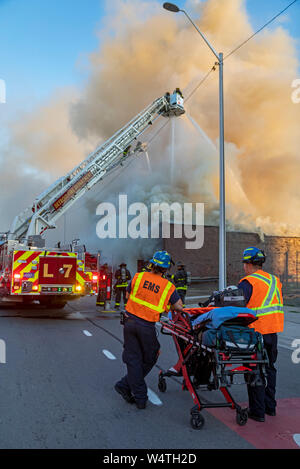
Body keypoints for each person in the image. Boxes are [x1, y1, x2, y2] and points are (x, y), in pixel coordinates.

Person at [115, 250, 184, 409]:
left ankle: (125, 385)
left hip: (130, 323)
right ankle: (139, 395)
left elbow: (127, 296)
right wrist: (167, 304)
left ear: (152, 264)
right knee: (151, 357)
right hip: (146, 326)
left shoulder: (138, 277)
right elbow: (179, 306)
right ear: (165, 269)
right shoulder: (168, 286)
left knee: (133, 358)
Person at [238, 247, 284, 422]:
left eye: (244, 263)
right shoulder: (274, 280)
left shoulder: (248, 282)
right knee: (270, 368)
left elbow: (238, 307)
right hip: (273, 331)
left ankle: (257, 411)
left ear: (248, 263)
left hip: (255, 333)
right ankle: (270, 407)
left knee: (253, 369)